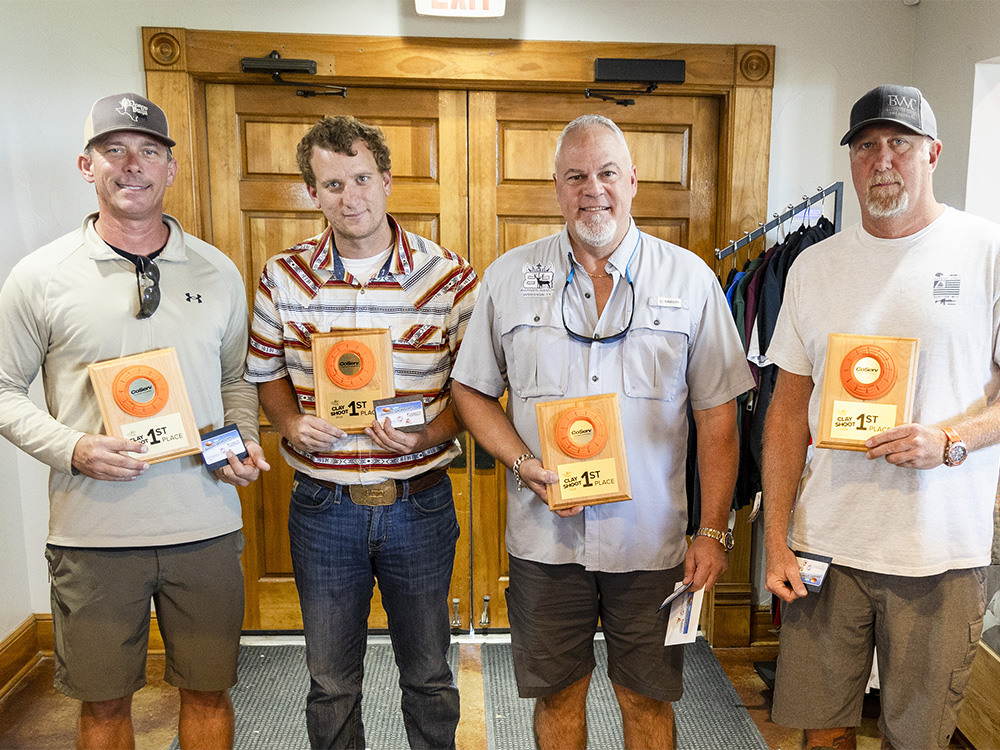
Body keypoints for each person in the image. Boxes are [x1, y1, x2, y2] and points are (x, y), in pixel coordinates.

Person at [450, 114, 754, 750]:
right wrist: (520, 459)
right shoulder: (507, 277)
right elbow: (471, 389)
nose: (594, 189)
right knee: (557, 695)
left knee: (647, 697)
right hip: (545, 539)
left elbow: (718, 414)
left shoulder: (690, 280)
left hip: (652, 544)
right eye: (576, 176)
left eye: (608, 172)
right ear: (557, 187)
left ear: (634, 180)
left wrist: (713, 530)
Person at [0, 92, 269, 749]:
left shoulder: (218, 271)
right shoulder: (39, 277)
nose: (132, 164)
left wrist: (244, 441)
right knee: (102, 708)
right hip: (93, 532)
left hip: (204, 525)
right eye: (112, 150)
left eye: (149, 150)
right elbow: (3, 387)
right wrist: (72, 448)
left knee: (209, 692)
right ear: (85, 165)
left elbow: (236, 380)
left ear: (171, 170)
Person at [763, 84, 1000, 750]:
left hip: (939, 553)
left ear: (933, 153)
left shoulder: (987, 251)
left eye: (900, 143)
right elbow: (785, 414)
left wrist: (950, 440)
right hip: (826, 547)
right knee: (823, 732)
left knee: (916, 738)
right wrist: (776, 538)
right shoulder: (814, 267)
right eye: (866, 146)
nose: (882, 160)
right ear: (852, 161)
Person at [244, 115, 478, 749]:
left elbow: (478, 391)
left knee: (429, 674)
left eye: (362, 179)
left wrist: (432, 432)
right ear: (312, 194)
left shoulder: (448, 277)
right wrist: (290, 420)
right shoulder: (284, 276)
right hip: (323, 506)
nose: (351, 198)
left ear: (387, 179)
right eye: (333, 184)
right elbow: (265, 374)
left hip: (420, 500)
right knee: (330, 681)